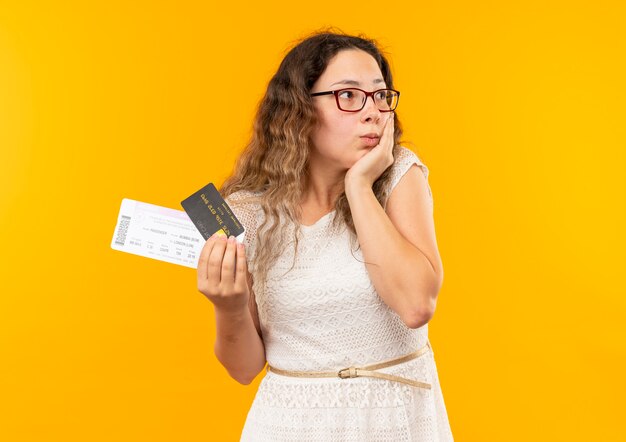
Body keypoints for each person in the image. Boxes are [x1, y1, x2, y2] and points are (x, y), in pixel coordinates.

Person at [196, 31, 453, 441]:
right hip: (289, 423)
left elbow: (416, 304)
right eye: (348, 96)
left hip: (394, 420)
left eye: (380, 95)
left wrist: (359, 186)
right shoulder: (248, 212)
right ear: (299, 112)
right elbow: (244, 369)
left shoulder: (399, 176)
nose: (373, 112)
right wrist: (228, 306)